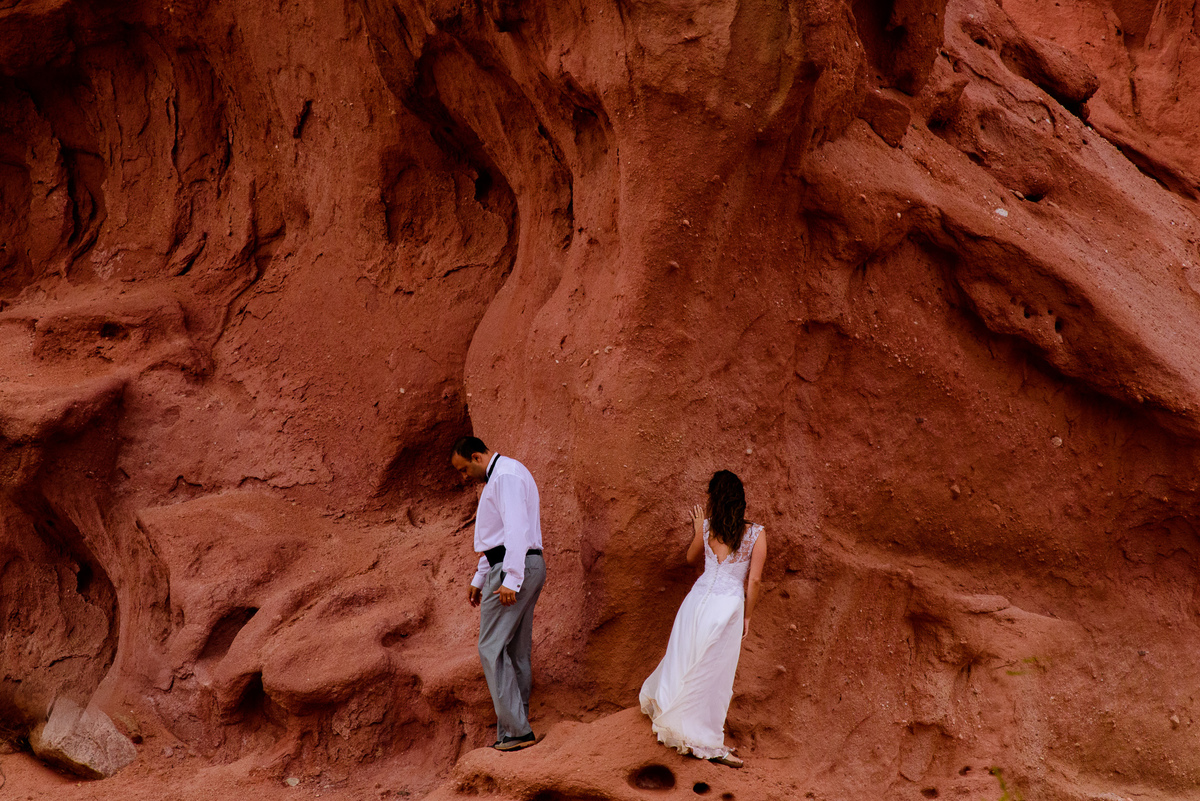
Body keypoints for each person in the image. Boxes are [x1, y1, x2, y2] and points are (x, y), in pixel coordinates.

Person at [639, 470, 768, 768]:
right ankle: (702, 737)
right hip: (727, 608)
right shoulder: (756, 534)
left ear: (714, 499)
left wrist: (698, 529)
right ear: (741, 500)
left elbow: (689, 559)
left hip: (696, 603)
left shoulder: (708, 528)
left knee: (686, 660)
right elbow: (755, 581)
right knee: (714, 674)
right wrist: (748, 616)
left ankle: (674, 719)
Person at [451, 435, 546, 751]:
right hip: (520, 564)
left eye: (465, 470)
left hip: (513, 567)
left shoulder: (504, 476)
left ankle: (517, 732)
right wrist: (480, 578)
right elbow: (501, 535)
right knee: (516, 650)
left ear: (477, 457)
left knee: (490, 648)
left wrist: (511, 578)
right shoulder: (505, 474)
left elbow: (516, 530)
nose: (465, 477)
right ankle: (513, 731)